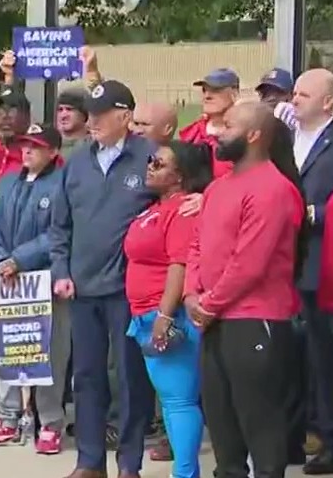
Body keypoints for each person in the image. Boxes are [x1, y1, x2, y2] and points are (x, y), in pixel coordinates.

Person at [183, 101, 303, 478]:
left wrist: (209, 303)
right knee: (222, 428)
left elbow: (250, 262)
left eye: (228, 125)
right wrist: (190, 294)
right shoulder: (219, 188)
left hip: (255, 321)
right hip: (214, 320)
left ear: (253, 135)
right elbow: (197, 244)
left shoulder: (273, 189)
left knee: (261, 428)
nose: (216, 131)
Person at [50, 80, 156, 478]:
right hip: (83, 288)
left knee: (130, 378)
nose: (90, 122)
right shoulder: (77, 161)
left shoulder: (150, 158)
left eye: (99, 115)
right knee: (87, 377)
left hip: (129, 291)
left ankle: (129, 462)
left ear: (125, 117)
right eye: (88, 114)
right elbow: (59, 225)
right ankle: (90, 461)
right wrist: (61, 271)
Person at [123, 141, 213, 478]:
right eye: (150, 160)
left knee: (179, 401)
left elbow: (181, 264)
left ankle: (185, 473)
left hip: (168, 317)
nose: (150, 166)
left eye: (159, 163)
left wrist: (164, 313)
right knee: (173, 400)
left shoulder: (182, 210)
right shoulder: (155, 207)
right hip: (144, 314)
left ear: (180, 176)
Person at [0, 125, 66, 454]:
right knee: (11, 345)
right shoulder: (9, 180)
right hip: (9, 283)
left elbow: (58, 232)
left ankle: (50, 422)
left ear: (53, 152)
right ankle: (8, 417)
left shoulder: (62, 183)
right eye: (24, 145)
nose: (27, 152)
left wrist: (20, 259)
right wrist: (0, 259)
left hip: (43, 279)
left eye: (36, 147)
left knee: (48, 352)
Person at [290, 68, 333, 475]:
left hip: (326, 267)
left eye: (304, 94)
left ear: (328, 101)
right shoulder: (284, 141)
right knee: (295, 359)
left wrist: (314, 212)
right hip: (284, 267)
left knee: (327, 359)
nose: (295, 100)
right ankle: (296, 434)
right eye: (294, 93)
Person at [179, 68, 240, 178]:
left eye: (215, 90)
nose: (207, 96)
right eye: (204, 90)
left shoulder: (245, 135)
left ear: (234, 93)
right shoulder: (192, 133)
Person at [56, 88, 91, 158]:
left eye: (69, 109)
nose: (63, 115)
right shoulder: (49, 146)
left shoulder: (94, 147)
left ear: (84, 114)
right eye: (60, 110)